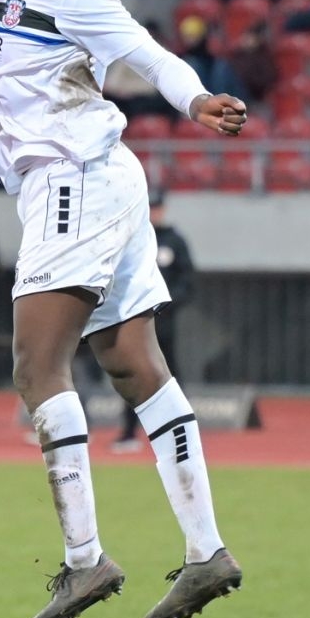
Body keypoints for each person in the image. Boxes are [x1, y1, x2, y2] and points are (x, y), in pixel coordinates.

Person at [0, 0, 246, 618]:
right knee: (130, 362)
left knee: (34, 366)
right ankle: (207, 552)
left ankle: (84, 558)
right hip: (87, 180)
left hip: (73, 176)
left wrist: (197, 100)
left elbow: (147, 53)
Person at [114, 189, 196, 450]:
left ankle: (180, 430)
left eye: (158, 208)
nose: (155, 213)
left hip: (164, 323)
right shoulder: (134, 240)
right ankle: (129, 432)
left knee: (169, 376)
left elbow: (187, 280)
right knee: (133, 373)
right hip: (136, 321)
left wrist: (167, 303)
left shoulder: (174, 241)